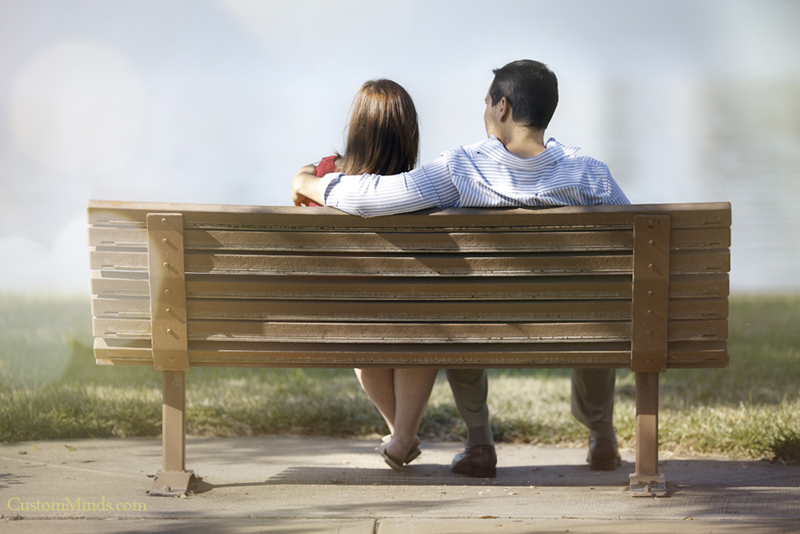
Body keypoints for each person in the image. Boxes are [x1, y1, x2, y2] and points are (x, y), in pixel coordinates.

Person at [291, 60, 629, 478]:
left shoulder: (462, 168)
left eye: (487, 103)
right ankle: (601, 436)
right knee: (596, 309)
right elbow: (631, 247)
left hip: (483, 325)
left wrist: (311, 183)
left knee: (463, 310)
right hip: (573, 324)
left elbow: (373, 197)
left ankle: (480, 442)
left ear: (502, 107)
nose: (485, 112)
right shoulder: (592, 175)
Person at [295, 79, 438, 472]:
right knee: (419, 332)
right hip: (415, 318)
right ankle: (402, 438)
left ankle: (401, 438)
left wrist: (307, 173)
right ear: (408, 134)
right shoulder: (422, 190)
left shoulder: (325, 179)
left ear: (355, 127)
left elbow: (299, 197)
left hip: (350, 315)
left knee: (368, 335)